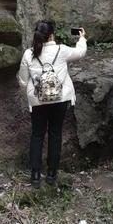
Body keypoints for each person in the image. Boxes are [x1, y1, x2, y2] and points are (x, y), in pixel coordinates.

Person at [17, 20, 87, 188]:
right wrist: (82, 37)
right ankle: (51, 174)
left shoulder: (29, 54)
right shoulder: (61, 50)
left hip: (38, 101)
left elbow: (22, 80)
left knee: (37, 135)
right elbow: (80, 52)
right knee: (55, 134)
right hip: (60, 100)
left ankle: (35, 176)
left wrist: (30, 92)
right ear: (52, 35)